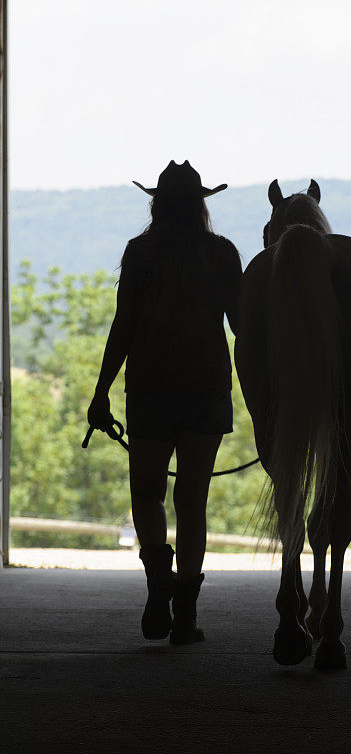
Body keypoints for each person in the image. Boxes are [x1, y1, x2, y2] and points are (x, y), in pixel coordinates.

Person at [87, 160, 242, 644]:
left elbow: (123, 327)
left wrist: (101, 392)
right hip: (205, 390)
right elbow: (241, 327)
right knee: (192, 503)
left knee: (147, 493)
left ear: (156, 204)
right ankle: (187, 618)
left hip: (150, 388)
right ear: (200, 206)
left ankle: (159, 584)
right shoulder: (221, 254)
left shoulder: (140, 252)